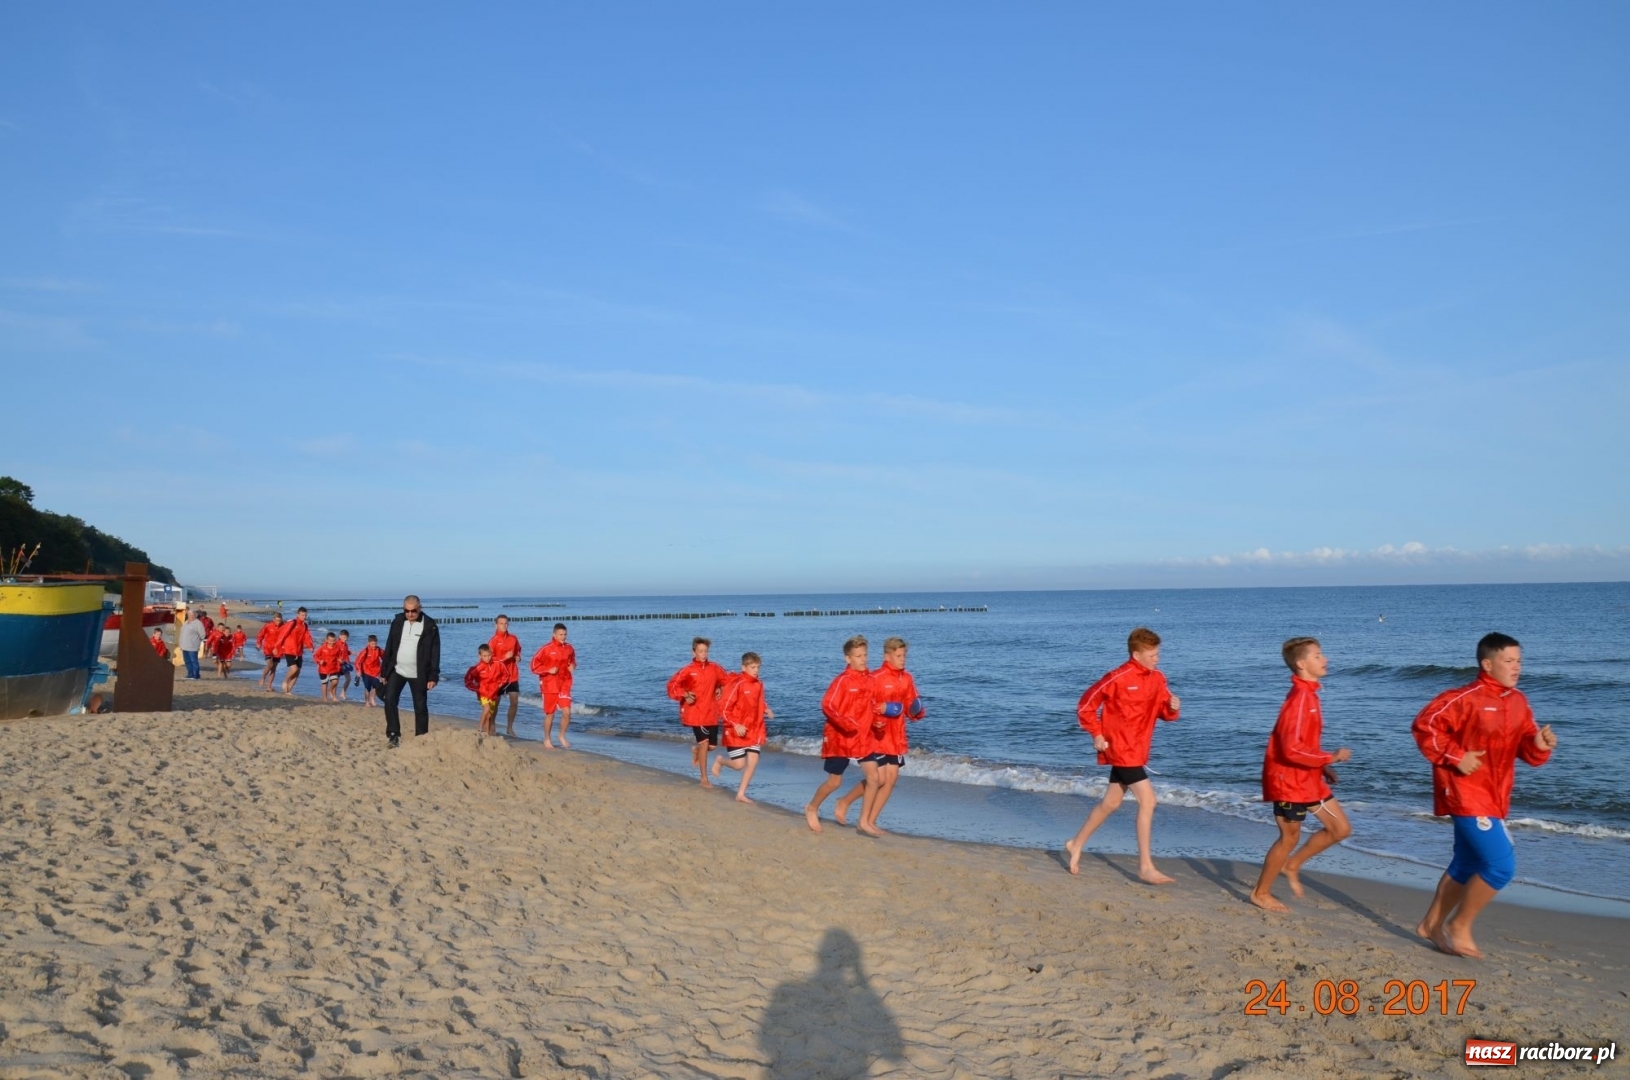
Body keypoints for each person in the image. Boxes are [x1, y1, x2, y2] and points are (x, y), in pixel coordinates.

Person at [1412, 632, 1556, 959]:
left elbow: (1526, 749)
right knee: (1500, 866)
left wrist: (1539, 746)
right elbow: (1425, 725)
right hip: (1465, 793)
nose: (1516, 667)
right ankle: (1459, 926)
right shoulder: (1465, 697)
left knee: (1467, 863)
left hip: (1495, 796)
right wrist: (1456, 756)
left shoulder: (1518, 701)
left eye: (1519, 660)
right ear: (1487, 664)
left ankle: (1431, 924)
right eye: (1509, 661)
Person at [1064, 627, 1182, 885]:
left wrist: (1172, 707)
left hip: (1138, 749)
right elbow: (1086, 705)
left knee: (1111, 803)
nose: (1157, 658)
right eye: (1152, 654)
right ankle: (1146, 866)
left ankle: (1076, 843)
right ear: (1136, 654)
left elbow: (1164, 711)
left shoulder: (1158, 678)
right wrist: (1096, 733)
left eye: (1158, 653)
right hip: (1119, 748)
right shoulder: (1117, 676)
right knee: (1148, 802)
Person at [1249, 637, 1354, 913]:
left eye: (1322, 654)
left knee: (1340, 829)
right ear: (1301, 664)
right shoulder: (1299, 699)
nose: (1325, 659)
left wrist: (1321, 766)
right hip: (1288, 783)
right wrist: (1329, 756)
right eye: (1318, 655)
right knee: (1289, 838)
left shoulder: (1310, 695)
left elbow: (1303, 744)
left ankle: (1292, 865)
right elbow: (1290, 748)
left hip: (1308, 779)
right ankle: (1261, 893)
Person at [835, 637, 925, 835]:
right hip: (876, 735)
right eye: (898, 656)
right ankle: (845, 802)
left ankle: (870, 821)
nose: (903, 660)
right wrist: (880, 710)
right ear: (887, 656)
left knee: (890, 780)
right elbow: (865, 704)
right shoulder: (876, 677)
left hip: (897, 736)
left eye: (904, 656)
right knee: (880, 778)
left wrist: (916, 711)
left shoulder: (907, 678)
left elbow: (911, 705)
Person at [805, 636, 880, 835]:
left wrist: (877, 721)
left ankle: (859, 817)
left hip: (863, 738)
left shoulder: (871, 680)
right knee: (834, 782)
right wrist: (847, 723)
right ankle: (812, 807)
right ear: (848, 658)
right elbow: (827, 705)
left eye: (865, 655)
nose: (863, 659)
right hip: (840, 738)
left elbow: (871, 707)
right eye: (858, 656)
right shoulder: (842, 681)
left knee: (875, 778)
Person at [711, 652, 774, 802]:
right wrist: (736, 724)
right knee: (739, 765)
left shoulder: (759, 683)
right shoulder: (737, 684)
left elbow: (759, 700)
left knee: (753, 761)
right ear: (743, 668)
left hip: (754, 729)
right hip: (736, 731)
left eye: (758, 667)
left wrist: (766, 708)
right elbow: (724, 709)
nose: (756, 670)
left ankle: (741, 793)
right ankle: (721, 760)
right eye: (753, 667)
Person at [666, 637, 728, 785]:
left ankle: (697, 751)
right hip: (696, 713)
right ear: (693, 652)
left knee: (712, 746)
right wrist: (685, 694)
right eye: (700, 651)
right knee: (705, 743)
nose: (704, 654)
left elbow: (727, 681)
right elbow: (672, 685)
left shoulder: (715, 668)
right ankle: (704, 778)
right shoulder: (688, 670)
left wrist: (720, 687)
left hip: (712, 712)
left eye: (706, 651)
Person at [381, 595, 441, 748]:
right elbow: (390, 646)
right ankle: (393, 735)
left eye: (413, 611)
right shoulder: (398, 621)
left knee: (420, 707)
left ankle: (421, 738)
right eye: (406, 611)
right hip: (398, 670)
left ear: (420, 608)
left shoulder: (430, 625)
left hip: (419, 673)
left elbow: (435, 652)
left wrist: (433, 675)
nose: (410, 614)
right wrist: (384, 672)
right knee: (389, 699)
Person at [530, 623, 578, 748]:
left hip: (565, 683)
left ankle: (561, 735)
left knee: (567, 712)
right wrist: (548, 670)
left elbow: (573, 661)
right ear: (554, 635)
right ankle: (547, 739)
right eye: (561, 635)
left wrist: (572, 666)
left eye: (565, 634)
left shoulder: (569, 648)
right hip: (549, 685)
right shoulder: (546, 649)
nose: (563, 637)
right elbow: (533, 666)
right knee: (550, 714)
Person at [487, 615, 523, 737]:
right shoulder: (493, 641)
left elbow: (518, 649)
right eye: (501, 623)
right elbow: (488, 660)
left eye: (506, 623)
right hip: (498, 676)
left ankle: (509, 727)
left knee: (514, 701)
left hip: (512, 674)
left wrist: (517, 656)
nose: (504, 625)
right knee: (496, 702)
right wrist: (504, 658)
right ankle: (492, 724)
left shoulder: (513, 638)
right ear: (496, 625)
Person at [465, 643, 507, 737]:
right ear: (479, 656)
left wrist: (499, 684)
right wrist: (477, 688)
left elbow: (506, 675)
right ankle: (479, 729)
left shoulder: (498, 664)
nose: (487, 658)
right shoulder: (477, 668)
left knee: (489, 716)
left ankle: (487, 733)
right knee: (486, 709)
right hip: (483, 693)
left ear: (491, 654)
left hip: (493, 693)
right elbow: (468, 680)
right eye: (484, 656)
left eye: (489, 655)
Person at [278, 607, 315, 695]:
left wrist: (310, 646)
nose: (304, 617)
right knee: (294, 669)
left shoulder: (305, 625)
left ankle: (289, 690)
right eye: (302, 615)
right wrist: (277, 646)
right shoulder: (292, 623)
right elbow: (283, 633)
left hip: (299, 651)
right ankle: (284, 682)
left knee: (298, 671)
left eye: (305, 615)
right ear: (298, 615)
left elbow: (307, 637)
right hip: (289, 650)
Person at [256, 613, 285, 690]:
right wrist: (258, 643)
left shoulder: (284, 626)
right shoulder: (268, 626)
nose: (278, 622)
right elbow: (260, 635)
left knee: (274, 668)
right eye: (276, 620)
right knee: (270, 664)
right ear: (273, 619)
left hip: (278, 650)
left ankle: (269, 686)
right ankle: (263, 677)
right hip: (268, 648)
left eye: (279, 620)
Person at [313, 632, 344, 702]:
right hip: (323, 669)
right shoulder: (322, 648)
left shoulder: (337, 648)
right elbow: (315, 656)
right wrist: (319, 661)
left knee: (335, 681)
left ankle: (330, 690)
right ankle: (324, 698)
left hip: (333, 668)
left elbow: (340, 655)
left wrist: (340, 660)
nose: (332, 642)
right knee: (324, 683)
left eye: (333, 641)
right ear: (326, 640)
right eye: (330, 641)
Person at [355, 634, 384, 707]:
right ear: (368, 643)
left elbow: (385, 658)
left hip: (376, 672)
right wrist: (358, 671)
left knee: (376, 686)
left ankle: (372, 698)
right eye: (372, 644)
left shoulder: (379, 650)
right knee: (367, 688)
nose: (374, 645)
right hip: (366, 672)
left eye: (375, 643)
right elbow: (358, 661)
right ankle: (367, 702)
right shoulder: (365, 651)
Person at [178, 608, 207, 680]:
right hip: (184, 646)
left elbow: (202, 635)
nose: (191, 616)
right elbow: (182, 634)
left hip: (193, 647)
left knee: (194, 661)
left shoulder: (198, 623)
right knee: (187, 661)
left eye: (193, 615)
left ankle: (196, 675)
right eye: (190, 614)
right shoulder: (185, 622)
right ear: (188, 615)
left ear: (195, 615)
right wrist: (180, 644)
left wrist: (196, 641)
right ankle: (190, 674)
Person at [335, 629, 354, 701]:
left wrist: (352, 653)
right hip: (338, 665)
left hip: (345, 664)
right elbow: (333, 654)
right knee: (336, 680)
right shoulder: (336, 644)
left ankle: (343, 692)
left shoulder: (345, 644)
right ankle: (334, 694)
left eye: (346, 638)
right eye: (343, 637)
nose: (345, 639)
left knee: (348, 679)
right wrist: (338, 659)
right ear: (340, 636)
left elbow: (346, 652)